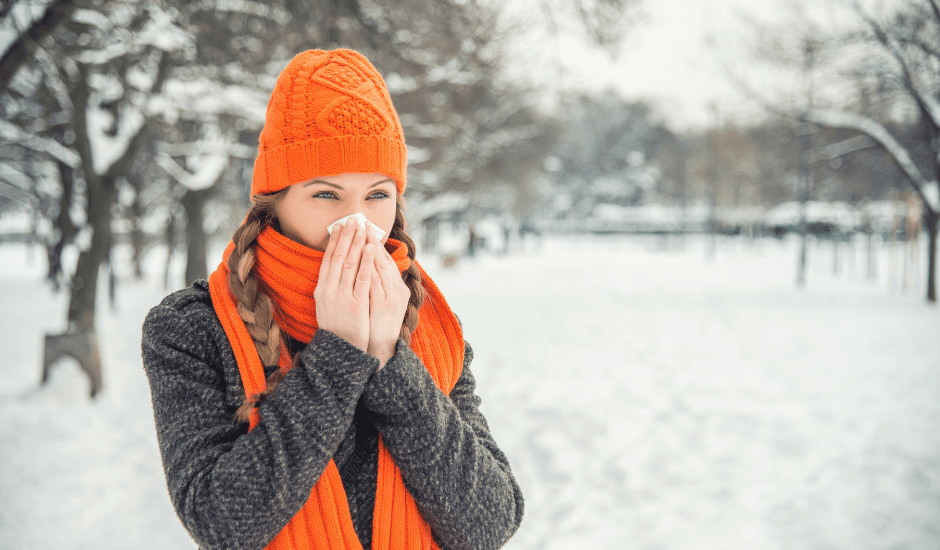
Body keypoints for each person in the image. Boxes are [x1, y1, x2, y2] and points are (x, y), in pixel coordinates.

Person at [141, 49, 524, 550]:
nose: (357, 222)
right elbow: (221, 523)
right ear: (274, 201)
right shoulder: (193, 327)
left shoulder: (429, 324)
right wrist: (340, 352)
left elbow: (490, 523)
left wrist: (389, 360)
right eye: (326, 195)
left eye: (378, 195)